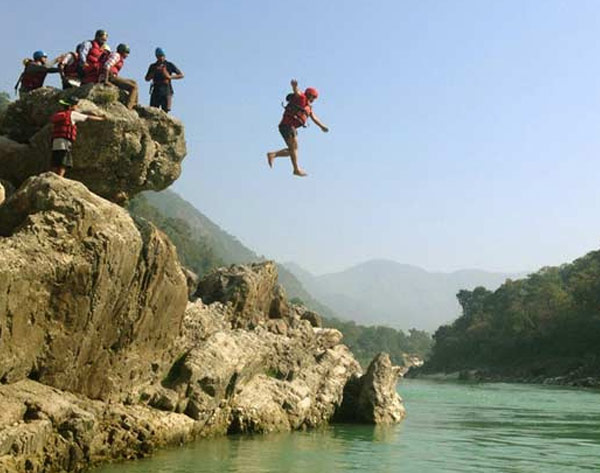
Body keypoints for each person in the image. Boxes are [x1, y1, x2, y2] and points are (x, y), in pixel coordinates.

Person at [267, 79, 329, 177]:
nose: (314, 100)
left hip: (287, 127)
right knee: (294, 149)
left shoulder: (308, 107)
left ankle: (273, 154)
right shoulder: (302, 98)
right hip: (288, 126)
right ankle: (296, 169)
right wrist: (294, 86)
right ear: (310, 95)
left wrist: (322, 126)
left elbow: (314, 118)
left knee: (292, 151)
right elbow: (297, 92)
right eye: (314, 97)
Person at [50, 97, 104, 177]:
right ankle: (59, 178)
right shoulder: (72, 114)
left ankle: (52, 176)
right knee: (64, 162)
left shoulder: (60, 114)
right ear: (71, 106)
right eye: (76, 105)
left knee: (56, 160)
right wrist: (101, 119)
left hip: (56, 141)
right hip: (65, 142)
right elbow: (88, 117)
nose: (77, 107)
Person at [144, 47, 184, 113]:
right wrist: (154, 72)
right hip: (156, 90)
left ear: (164, 56)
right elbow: (147, 78)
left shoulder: (169, 65)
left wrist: (169, 76)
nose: (161, 58)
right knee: (153, 111)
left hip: (166, 90)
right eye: (159, 56)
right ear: (156, 56)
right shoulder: (153, 66)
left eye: (162, 56)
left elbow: (181, 75)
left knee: (165, 111)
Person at [101, 43, 138, 109]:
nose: (127, 55)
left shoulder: (116, 55)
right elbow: (106, 66)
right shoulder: (116, 55)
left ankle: (134, 104)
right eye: (126, 53)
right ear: (122, 51)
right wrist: (106, 81)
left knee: (134, 82)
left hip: (112, 76)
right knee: (133, 87)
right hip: (111, 76)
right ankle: (129, 107)